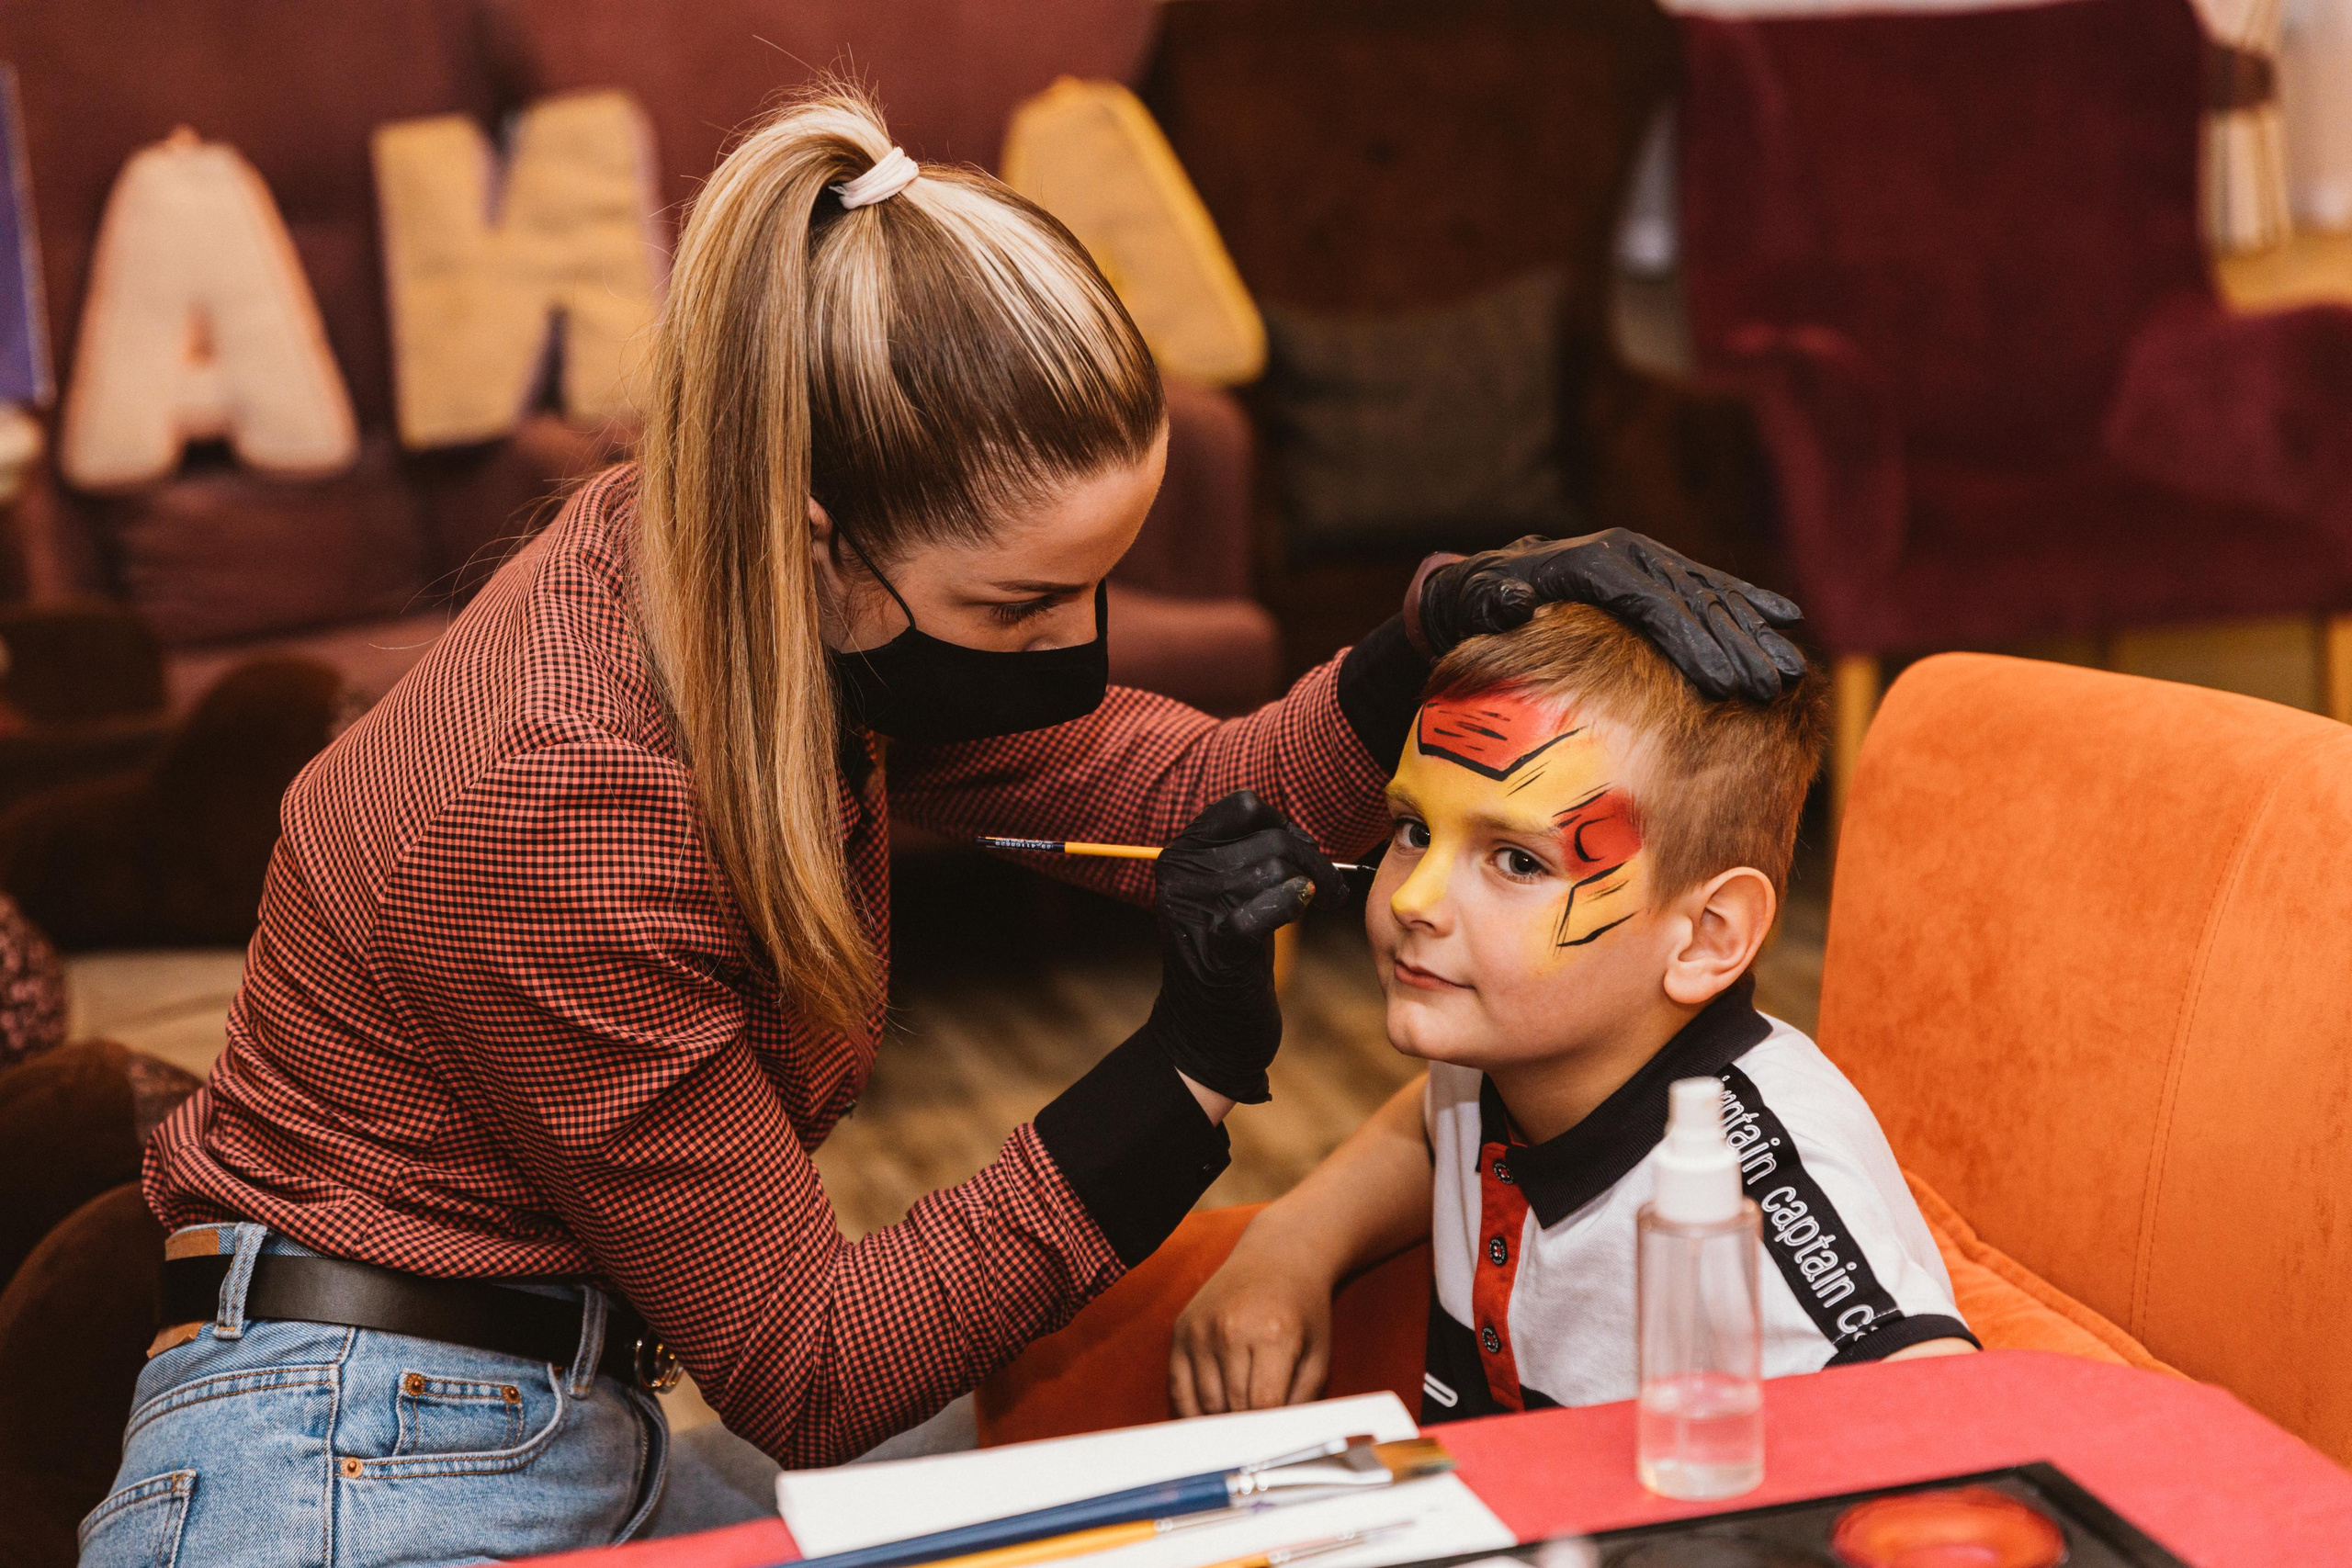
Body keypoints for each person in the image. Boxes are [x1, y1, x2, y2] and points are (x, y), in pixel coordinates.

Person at [85, 85, 1806, 1566]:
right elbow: (813, 1366)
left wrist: (1440, 619)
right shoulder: (563, 800)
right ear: (823, 548)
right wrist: (1182, 1076)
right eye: (1018, 606)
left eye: (1100, 586)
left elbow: (1192, 787)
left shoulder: (736, 583)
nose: (1073, 658)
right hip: (350, 1475)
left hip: (546, 1401)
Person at [1171, 604, 1974, 1421]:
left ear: (1704, 936)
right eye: (1414, 829)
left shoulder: (1757, 1198)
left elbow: (1946, 1418)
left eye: (1517, 860)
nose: (1413, 898)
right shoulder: (1509, 1059)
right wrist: (1291, 1242)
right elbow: (1431, 1119)